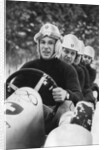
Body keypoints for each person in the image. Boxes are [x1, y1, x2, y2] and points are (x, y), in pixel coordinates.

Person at [11, 23, 83, 134]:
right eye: (43, 42)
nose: (46, 47)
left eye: (50, 43)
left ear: (57, 46)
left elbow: (78, 96)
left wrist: (66, 94)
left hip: (52, 120)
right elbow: (12, 90)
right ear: (38, 45)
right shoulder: (29, 66)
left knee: (67, 104)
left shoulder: (67, 69)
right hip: (26, 115)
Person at [59, 34, 95, 131]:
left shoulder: (78, 71)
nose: (69, 56)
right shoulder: (54, 64)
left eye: (73, 54)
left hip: (67, 105)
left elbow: (80, 91)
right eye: (66, 51)